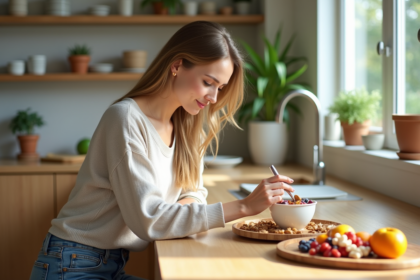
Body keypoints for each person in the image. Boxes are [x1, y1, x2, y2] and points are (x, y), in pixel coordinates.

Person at [29, 21, 294, 280]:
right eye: (208, 82)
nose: (214, 97)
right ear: (177, 65)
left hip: (109, 264)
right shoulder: (125, 118)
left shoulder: (188, 125)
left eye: (220, 88)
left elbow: (194, 191)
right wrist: (244, 207)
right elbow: (149, 220)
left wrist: (182, 211)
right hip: (71, 263)